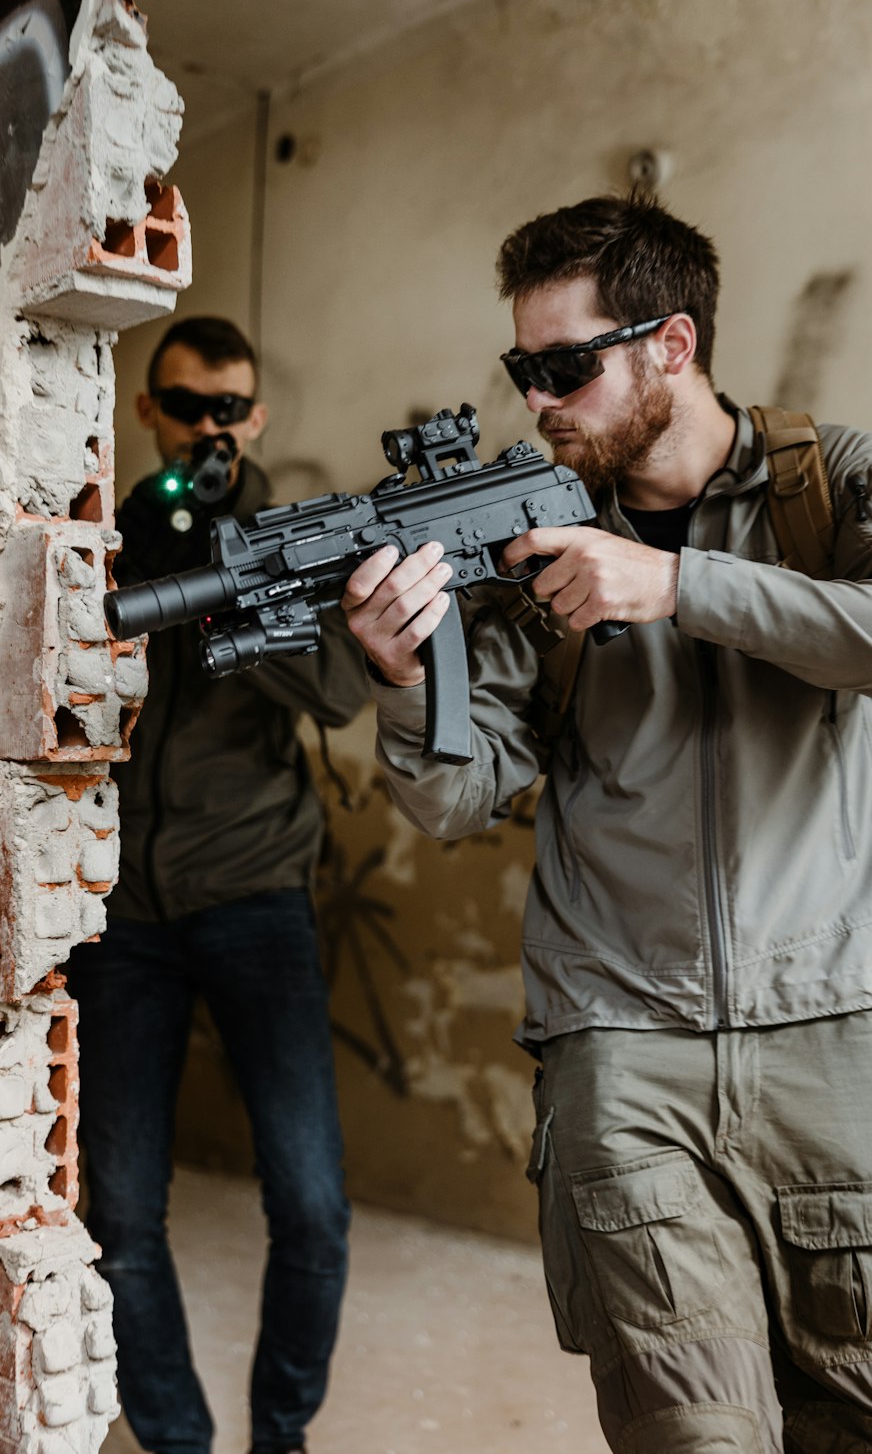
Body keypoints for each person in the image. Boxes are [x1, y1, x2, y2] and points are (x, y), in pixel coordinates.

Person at [341, 194, 872, 1452]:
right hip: (619, 1046)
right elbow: (457, 797)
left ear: (671, 347)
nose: (538, 398)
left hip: (838, 1039)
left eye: (564, 366)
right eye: (525, 368)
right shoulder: (531, 550)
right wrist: (404, 682)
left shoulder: (836, 480)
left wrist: (682, 584)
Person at [70, 316, 368, 1454]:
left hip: (255, 892)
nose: (210, 429)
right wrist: (159, 552)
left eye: (230, 409)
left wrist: (236, 568)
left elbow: (339, 694)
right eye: (187, 406)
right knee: (123, 1217)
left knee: (311, 1207)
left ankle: (279, 1435)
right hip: (121, 915)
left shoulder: (300, 532)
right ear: (147, 409)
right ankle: (178, 1442)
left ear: (258, 416)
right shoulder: (98, 525)